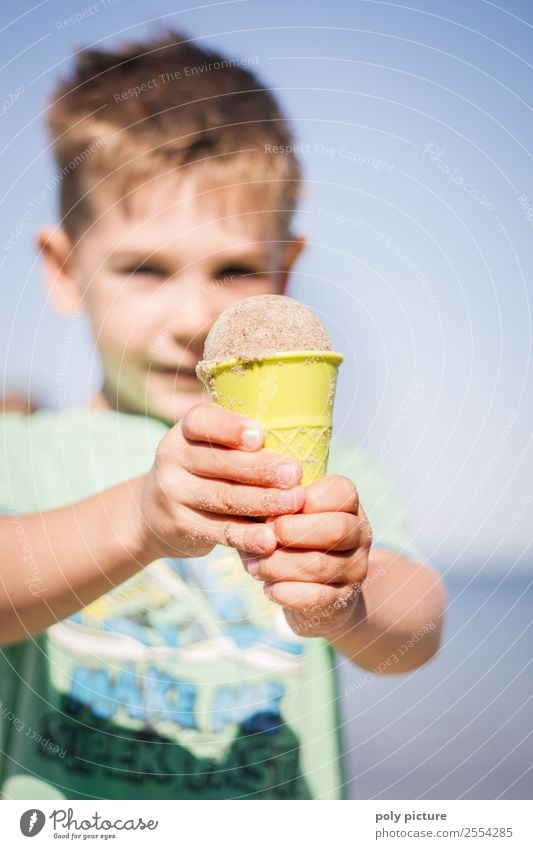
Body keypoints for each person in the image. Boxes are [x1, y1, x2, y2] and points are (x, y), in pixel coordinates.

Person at [0, 31, 445, 801]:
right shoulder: (21, 455)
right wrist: (139, 519)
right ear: (66, 270)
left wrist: (349, 595)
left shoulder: (324, 467)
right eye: (144, 268)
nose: (194, 316)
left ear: (284, 270)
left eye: (234, 268)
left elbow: (416, 633)